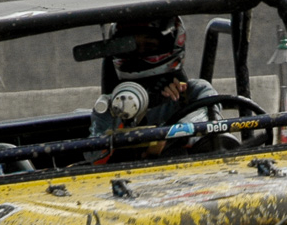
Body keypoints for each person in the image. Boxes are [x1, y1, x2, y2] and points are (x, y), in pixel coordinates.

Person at [88, 17, 238, 161]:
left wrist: (168, 135)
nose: (139, 54)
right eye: (131, 47)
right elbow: (94, 156)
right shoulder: (110, 106)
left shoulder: (196, 91)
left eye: (149, 46)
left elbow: (212, 126)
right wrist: (132, 113)